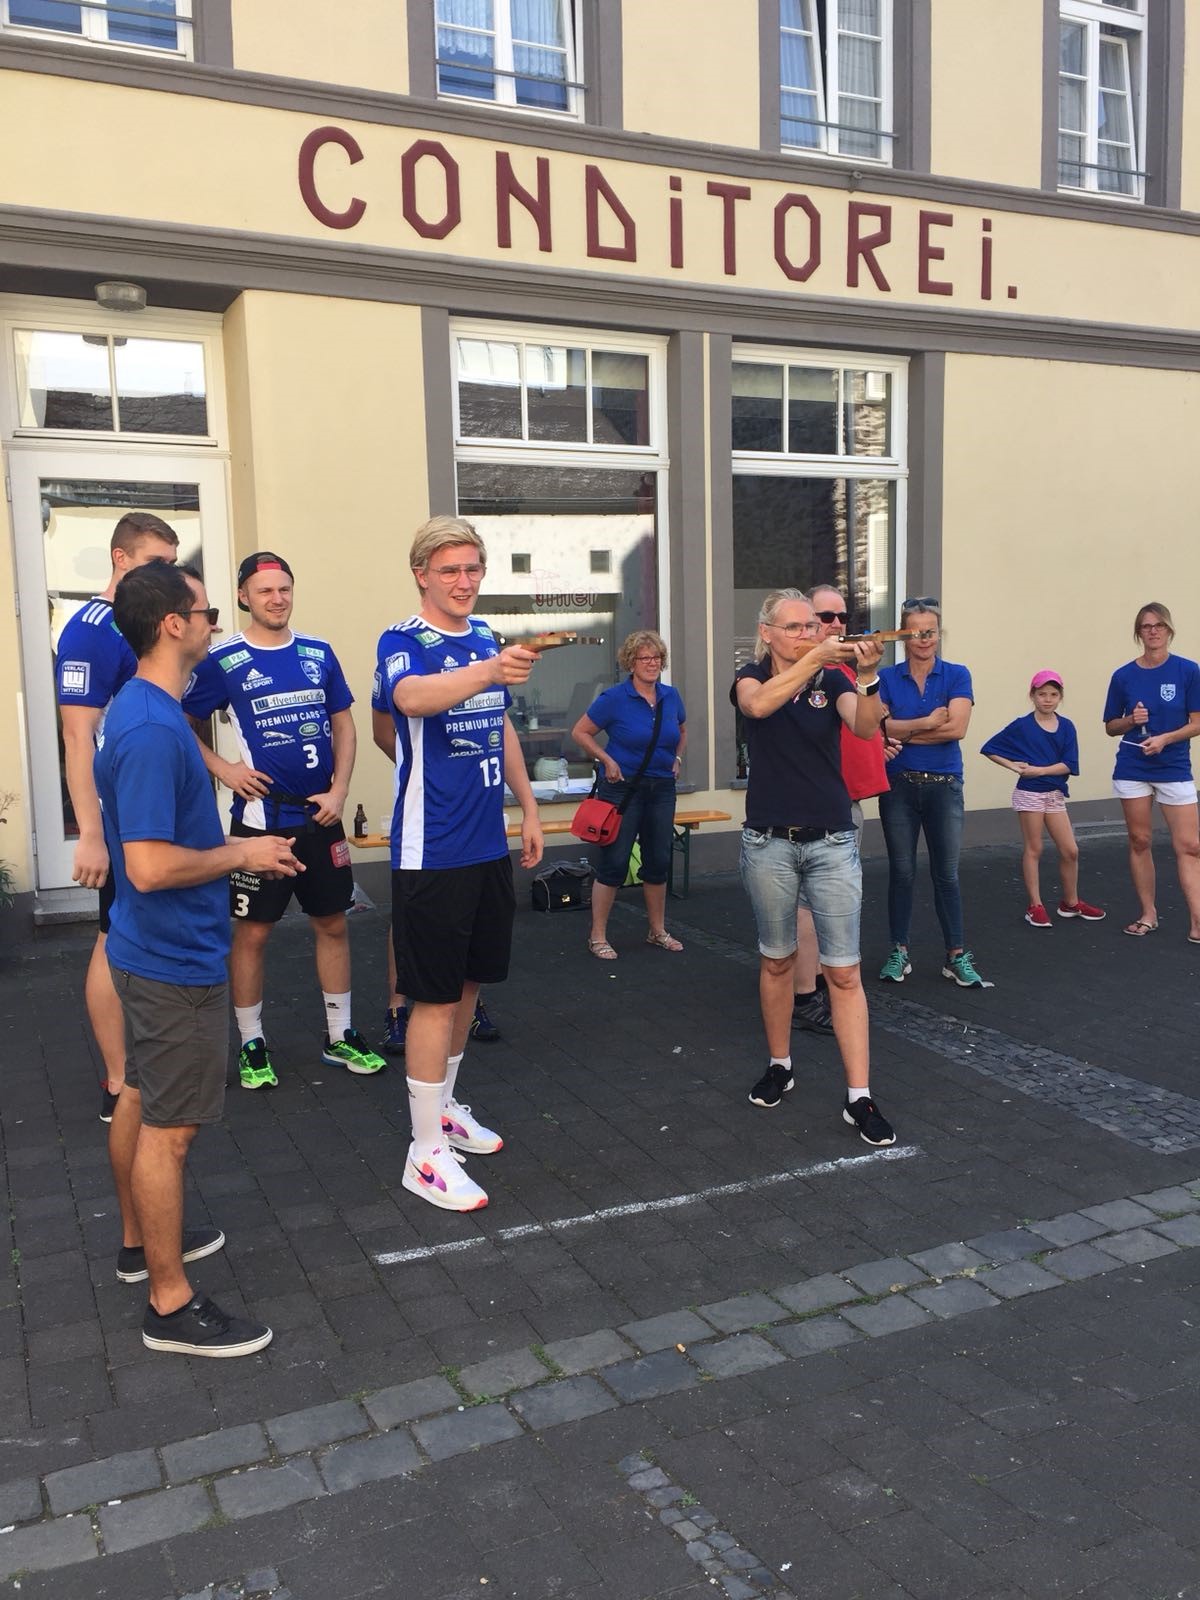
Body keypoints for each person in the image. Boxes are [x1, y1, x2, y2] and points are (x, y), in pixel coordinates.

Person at [96, 559, 301, 1355]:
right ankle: (170, 1304)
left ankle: (138, 1245)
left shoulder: (146, 706)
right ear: (173, 624)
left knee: (142, 1096)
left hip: (147, 947)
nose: (216, 623)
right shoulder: (152, 729)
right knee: (170, 1132)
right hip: (170, 958)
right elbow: (148, 866)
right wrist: (241, 854)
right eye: (208, 612)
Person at [374, 515, 543, 1212]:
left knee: (470, 985)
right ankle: (423, 1153)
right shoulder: (402, 640)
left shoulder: (482, 636)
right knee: (433, 997)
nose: (464, 581)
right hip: (432, 849)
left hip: (485, 843)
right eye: (450, 570)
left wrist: (528, 805)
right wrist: (486, 671)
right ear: (422, 574)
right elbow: (407, 699)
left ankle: (442, 1108)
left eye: (473, 568)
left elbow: (499, 723)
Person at [183, 552, 385, 1087]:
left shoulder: (318, 652)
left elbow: (344, 725)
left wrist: (340, 790)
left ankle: (340, 1036)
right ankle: (252, 1044)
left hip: (321, 817)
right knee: (253, 934)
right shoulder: (223, 659)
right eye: (265, 590)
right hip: (260, 823)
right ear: (244, 597)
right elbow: (179, 719)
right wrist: (224, 768)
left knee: (333, 923)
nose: (277, 599)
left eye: (284, 589)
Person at [733, 589, 895, 1145]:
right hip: (769, 843)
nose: (809, 633)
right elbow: (759, 707)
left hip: (831, 840)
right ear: (767, 632)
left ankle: (859, 1096)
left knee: (844, 971)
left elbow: (866, 727)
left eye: (812, 626)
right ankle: (780, 1064)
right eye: (796, 626)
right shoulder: (750, 677)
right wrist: (816, 658)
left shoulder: (834, 679)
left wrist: (867, 678)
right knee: (777, 961)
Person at [56, 511, 180, 1122]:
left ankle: (159, 1063)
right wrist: (91, 834)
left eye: (173, 565)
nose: (167, 575)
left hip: (157, 805)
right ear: (120, 559)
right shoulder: (90, 630)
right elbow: (77, 736)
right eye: (156, 562)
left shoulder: (157, 622)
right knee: (113, 937)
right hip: (120, 814)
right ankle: (117, 1079)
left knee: (150, 931)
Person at [788, 585, 893, 1035]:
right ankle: (806, 995)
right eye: (825, 617)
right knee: (810, 907)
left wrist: (878, 745)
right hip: (817, 806)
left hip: (844, 801)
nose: (836, 625)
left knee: (829, 904)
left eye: (841, 617)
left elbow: (861, 726)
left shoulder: (842, 670)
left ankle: (820, 985)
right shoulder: (807, 672)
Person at [876, 600, 991, 988]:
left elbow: (957, 729)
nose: (924, 638)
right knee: (901, 872)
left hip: (944, 785)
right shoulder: (886, 678)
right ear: (903, 636)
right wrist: (927, 722)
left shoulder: (957, 674)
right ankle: (899, 951)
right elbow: (879, 728)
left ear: (939, 634)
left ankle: (956, 955)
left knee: (947, 874)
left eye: (931, 631)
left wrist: (903, 731)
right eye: (916, 632)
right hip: (898, 785)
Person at [571, 631, 687, 959]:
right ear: (631, 663)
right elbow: (580, 732)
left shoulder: (670, 696)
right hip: (623, 789)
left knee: (658, 861)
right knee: (615, 862)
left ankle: (657, 931)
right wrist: (606, 760)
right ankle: (597, 936)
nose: (652, 663)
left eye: (656, 658)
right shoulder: (614, 698)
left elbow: (681, 730)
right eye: (644, 658)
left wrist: (677, 758)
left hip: (662, 788)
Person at [1102, 602, 1200, 940]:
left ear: (1169, 630)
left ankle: (1197, 920)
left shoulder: (1188, 671)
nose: (1153, 631)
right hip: (1133, 767)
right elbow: (1111, 726)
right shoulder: (1123, 676)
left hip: (1174, 766)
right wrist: (1131, 720)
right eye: (1146, 626)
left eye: (1159, 625)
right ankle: (1148, 914)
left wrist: (1165, 739)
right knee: (1140, 840)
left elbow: (1197, 723)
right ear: (1138, 633)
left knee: (1189, 845)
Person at [981, 670, 1104, 928]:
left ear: (1060, 697)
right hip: (1030, 793)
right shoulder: (1022, 725)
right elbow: (990, 748)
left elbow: (1069, 764)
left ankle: (1070, 902)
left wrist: (1040, 770)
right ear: (1033, 696)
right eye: (1042, 694)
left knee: (1070, 850)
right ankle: (1035, 905)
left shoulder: (1067, 726)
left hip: (1054, 794)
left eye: (1053, 694)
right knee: (1034, 848)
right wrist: (1013, 766)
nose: (1047, 699)